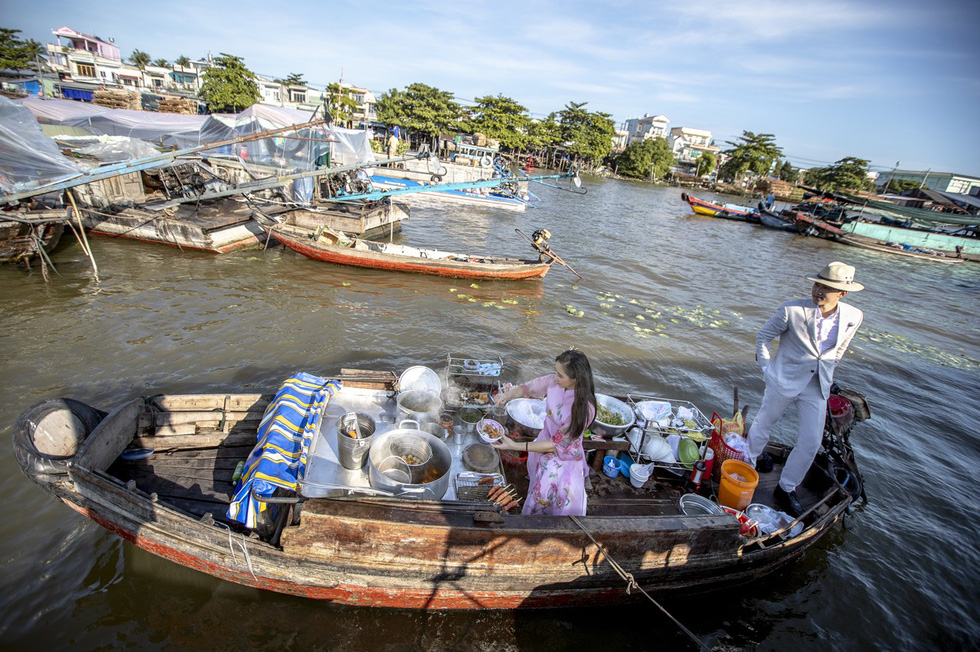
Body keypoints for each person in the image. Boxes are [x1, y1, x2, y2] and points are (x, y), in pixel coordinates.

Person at [746, 262, 864, 517]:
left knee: (811, 441)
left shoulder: (854, 317)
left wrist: (829, 375)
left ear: (843, 294)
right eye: (817, 284)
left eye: (827, 287)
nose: (818, 290)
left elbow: (839, 349)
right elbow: (763, 336)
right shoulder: (792, 310)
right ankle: (750, 462)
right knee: (764, 422)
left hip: (817, 386)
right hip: (783, 379)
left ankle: (785, 488)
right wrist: (768, 370)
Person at [492, 350, 596, 516]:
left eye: (560, 375)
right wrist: (507, 395)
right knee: (536, 472)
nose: (555, 377)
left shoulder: (585, 408)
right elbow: (528, 388)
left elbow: (556, 445)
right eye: (556, 372)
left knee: (547, 487)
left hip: (564, 454)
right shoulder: (554, 382)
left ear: (576, 379)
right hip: (545, 438)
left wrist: (514, 445)